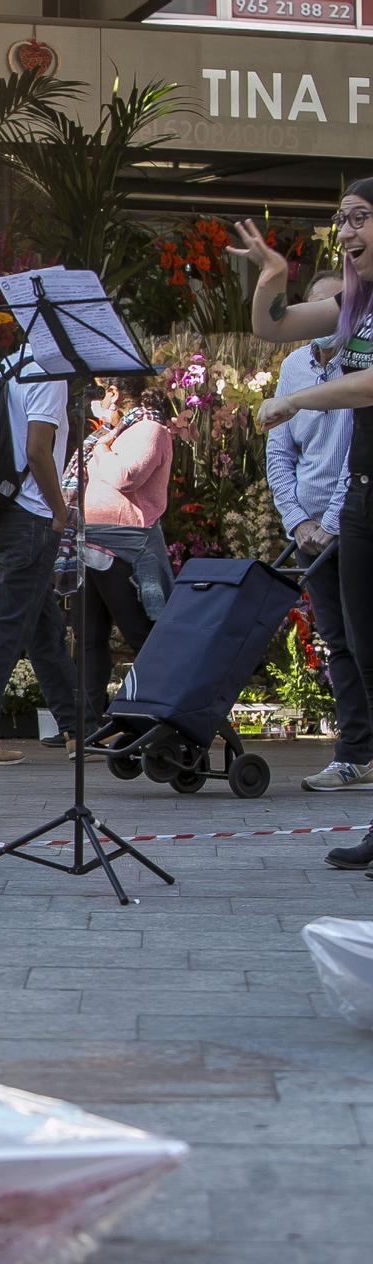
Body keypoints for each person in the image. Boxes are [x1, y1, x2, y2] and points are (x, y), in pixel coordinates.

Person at [237, 189, 373, 870]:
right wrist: (272, 281)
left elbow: (369, 385)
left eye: (359, 218)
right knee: (365, 659)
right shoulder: (353, 306)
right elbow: (274, 327)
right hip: (364, 506)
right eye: (341, 220)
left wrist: (294, 399)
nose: (346, 231)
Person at [263, 270, 372, 792]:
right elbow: (279, 449)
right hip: (309, 527)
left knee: (362, 636)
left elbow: (359, 450)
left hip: (352, 518)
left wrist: (330, 524)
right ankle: (356, 751)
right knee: (337, 640)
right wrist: (297, 520)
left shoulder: (361, 361)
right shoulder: (294, 367)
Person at [0, 341, 81, 767]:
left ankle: (77, 730)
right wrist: (61, 511)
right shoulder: (49, 372)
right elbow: (37, 450)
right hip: (31, 516)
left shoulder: (8, 363)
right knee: (8, 631)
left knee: (43, 628)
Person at [70, 376, 174, 716]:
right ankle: (87, 720)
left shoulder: (150, 429)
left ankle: (157, 710)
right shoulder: (111, 434)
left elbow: (126, 476)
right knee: (89, 636)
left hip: (125, 546)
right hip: (90, 544)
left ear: (114, 394)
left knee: (139, 632)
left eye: (101, 392)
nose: (97, 403)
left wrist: (101, 448)